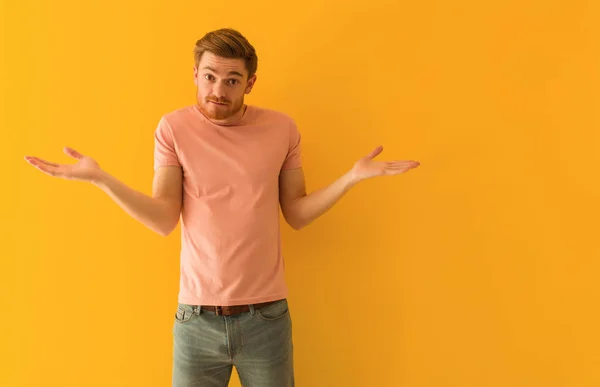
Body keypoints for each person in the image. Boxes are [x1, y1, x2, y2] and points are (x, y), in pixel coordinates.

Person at [24, 28, 420, 387]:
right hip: (195, 322)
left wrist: (351, 177)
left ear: (249, 83)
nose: (218, 89)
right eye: (210, 77)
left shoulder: (282, 129)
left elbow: (297, 213)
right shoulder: (173, 129)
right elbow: (164, 218)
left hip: (266, 318)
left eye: (231, 81)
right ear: (195, 74)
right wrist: (101, 179)